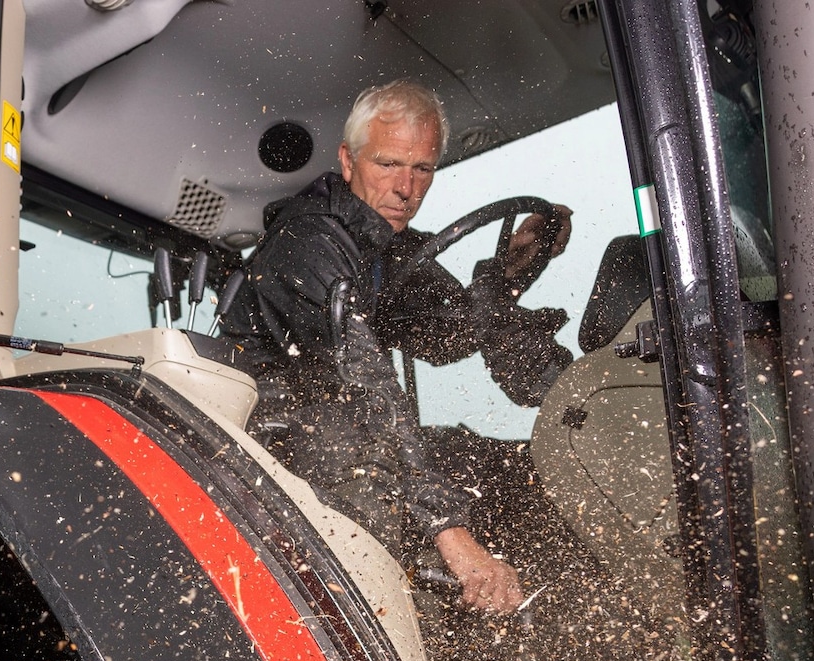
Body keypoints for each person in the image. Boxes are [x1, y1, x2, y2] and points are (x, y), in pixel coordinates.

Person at [226, 79, 572, 617]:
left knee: (513, 473)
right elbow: (368, 386)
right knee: (418, 527)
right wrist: (452, 536)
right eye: (387, 164)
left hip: (355, 441)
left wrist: (506, 274)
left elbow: (444, 338)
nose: (405, 188)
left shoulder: (387, 246)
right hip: (285, 455)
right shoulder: (310, 244)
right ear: (348, 160)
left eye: (423, 169)